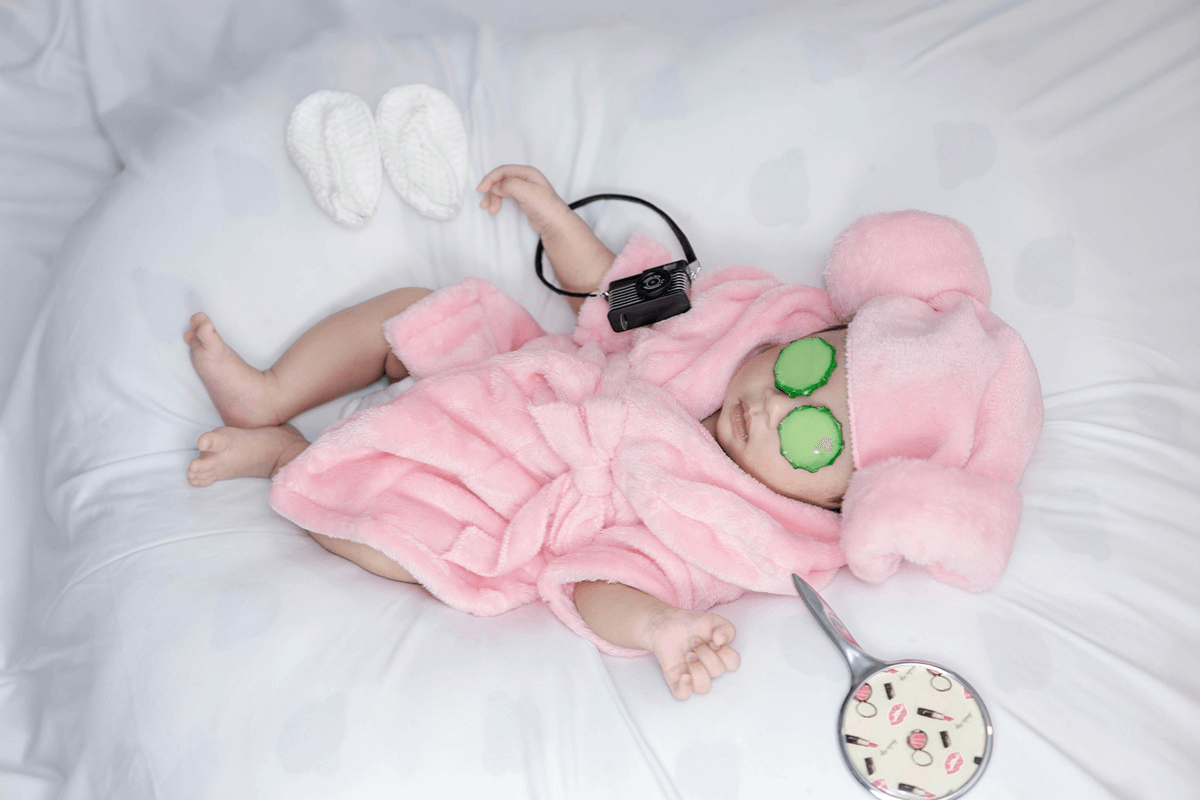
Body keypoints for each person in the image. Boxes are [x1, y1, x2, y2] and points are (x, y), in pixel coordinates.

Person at [185, 164, 1043, 700]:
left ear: (840, 501)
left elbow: (601, 577)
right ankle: (271, 391)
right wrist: (558, 223)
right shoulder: (739, 310)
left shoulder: (736, 533)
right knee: (422, 311)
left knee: (399, 542)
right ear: (816, 330)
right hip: (526, 377)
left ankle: (289, 456)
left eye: (815, 440)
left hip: (522, 499)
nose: (779, 409)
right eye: (808, 368)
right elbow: (619, 293)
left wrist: (659, 628)